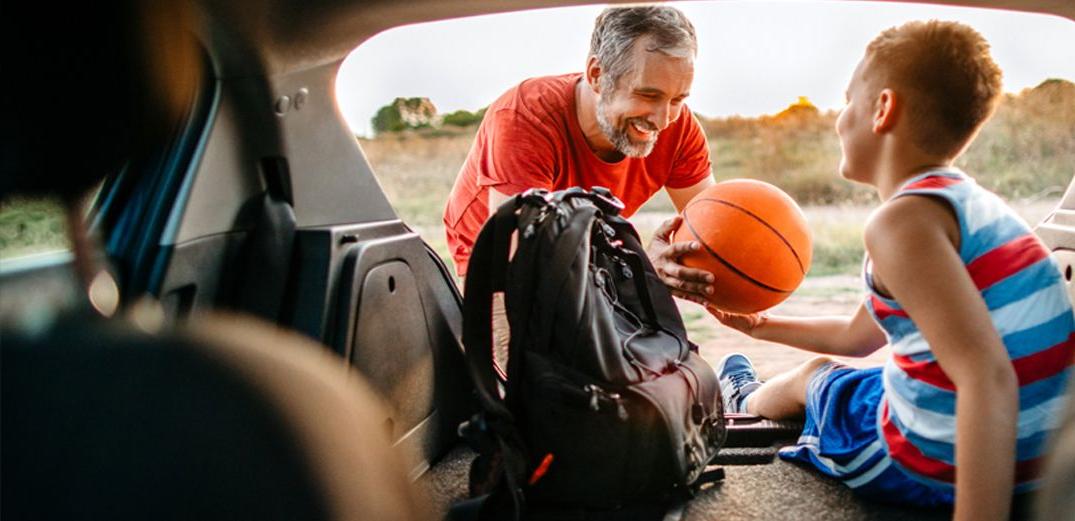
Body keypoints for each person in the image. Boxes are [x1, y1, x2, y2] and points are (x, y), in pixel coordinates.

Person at [709, 20, 1074, 521]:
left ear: (882, 109)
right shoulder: (971, 205)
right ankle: (752, 386)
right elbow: (859, 336)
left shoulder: (899, 223)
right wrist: (760, 325)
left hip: (930, 464)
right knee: (866, 372)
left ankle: (746, 398)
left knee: (820, 379)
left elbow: (987, 377)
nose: (839, 120)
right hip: (1043, 457)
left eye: (847, 102)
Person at [443, 5, 715, 303]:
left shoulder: (679, 128)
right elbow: (523, 263)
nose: (663, 120)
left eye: (677, 99)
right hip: (496, 254)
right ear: (597, 74)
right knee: (525, 331)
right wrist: (641, 268)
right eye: (648, 95)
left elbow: (713, 229)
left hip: (587, 243)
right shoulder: (525, 117)